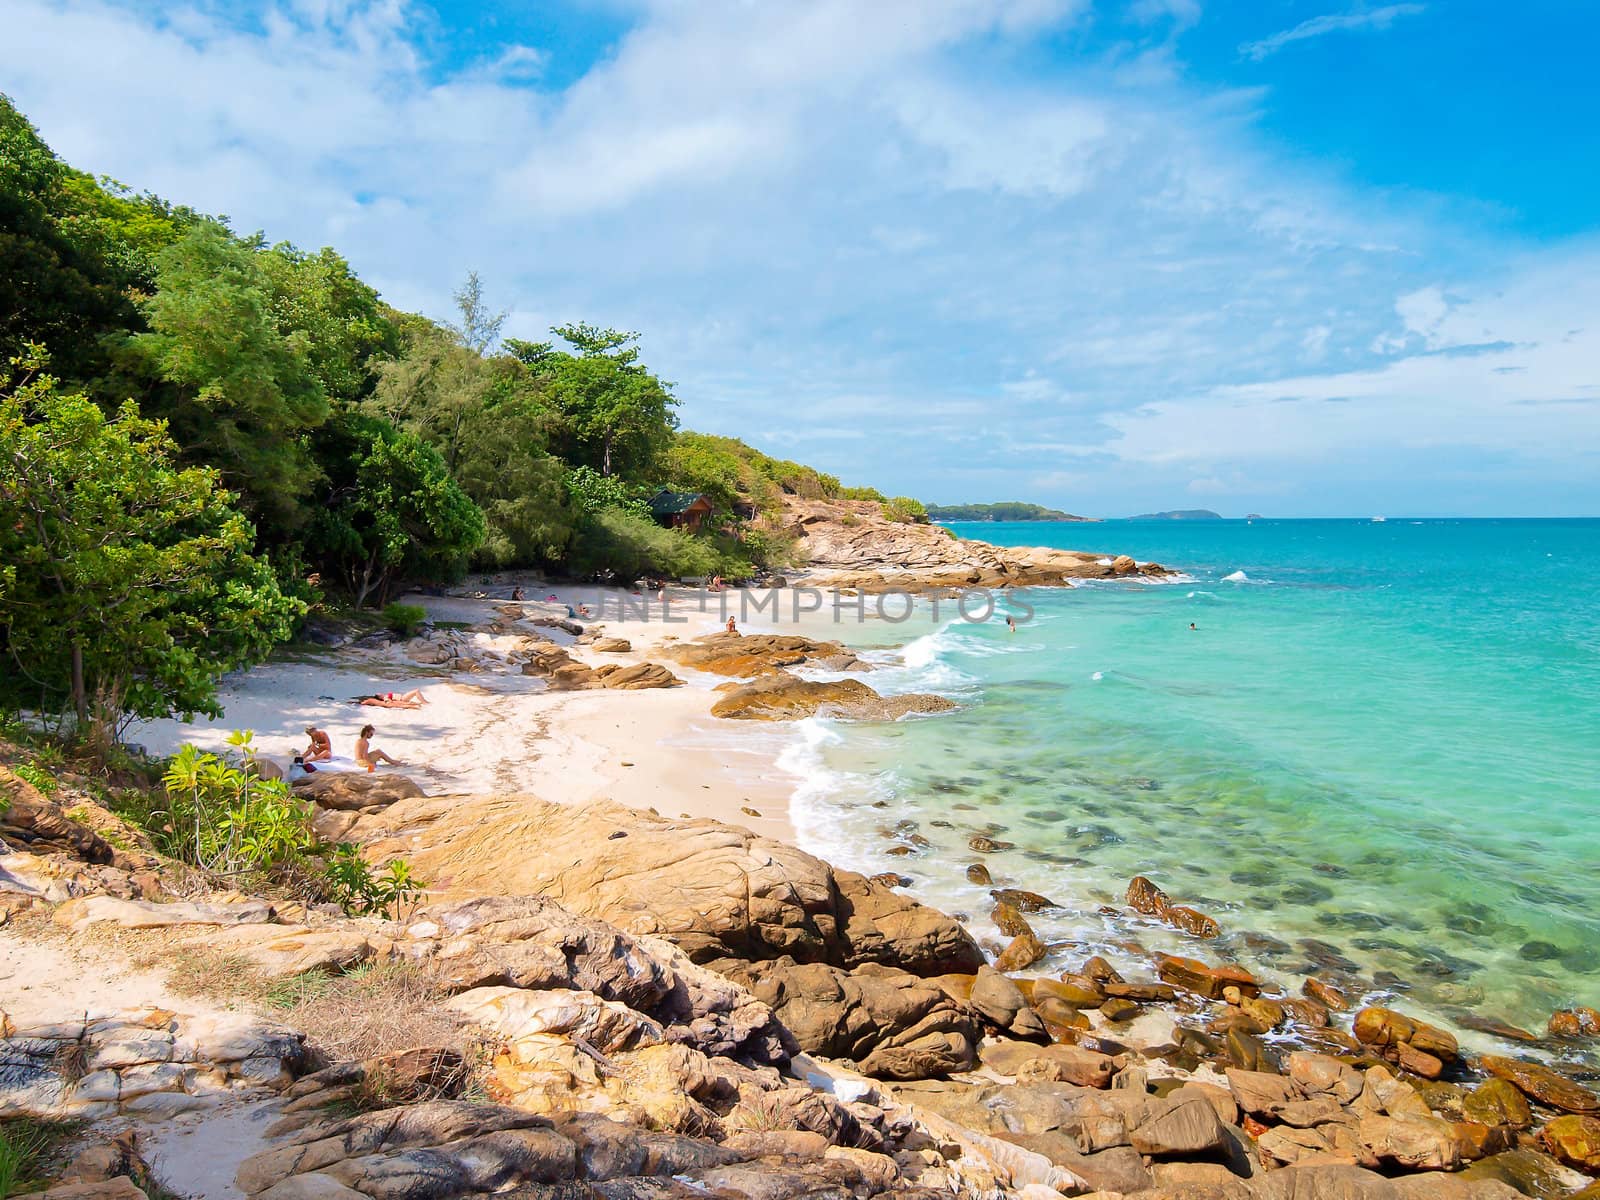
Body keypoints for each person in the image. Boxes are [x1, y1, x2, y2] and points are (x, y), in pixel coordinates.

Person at [358, 689, 427, 709]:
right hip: (402, 699)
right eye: (379, 694)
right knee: (416, 691)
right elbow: (389, 701)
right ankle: (425, 703)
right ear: (379, 697)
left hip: (402, 698)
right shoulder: (385, 698)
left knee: (415, 692)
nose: (380, 693)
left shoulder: (385, 697)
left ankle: (424, 703)